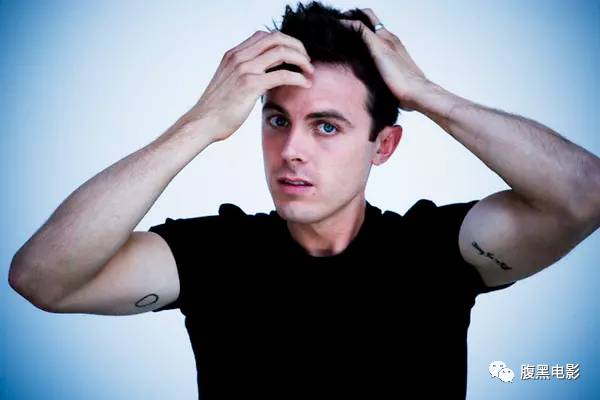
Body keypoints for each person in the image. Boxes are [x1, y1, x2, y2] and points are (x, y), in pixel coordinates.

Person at [8, 1, 599, 399]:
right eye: (277, 120)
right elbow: (42, 280)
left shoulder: (436, 252)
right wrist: (200, 123)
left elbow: (585, 195)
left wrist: (426, 94)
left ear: (383, 145)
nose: (290, 150)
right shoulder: (216, 255)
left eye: (326, 126)